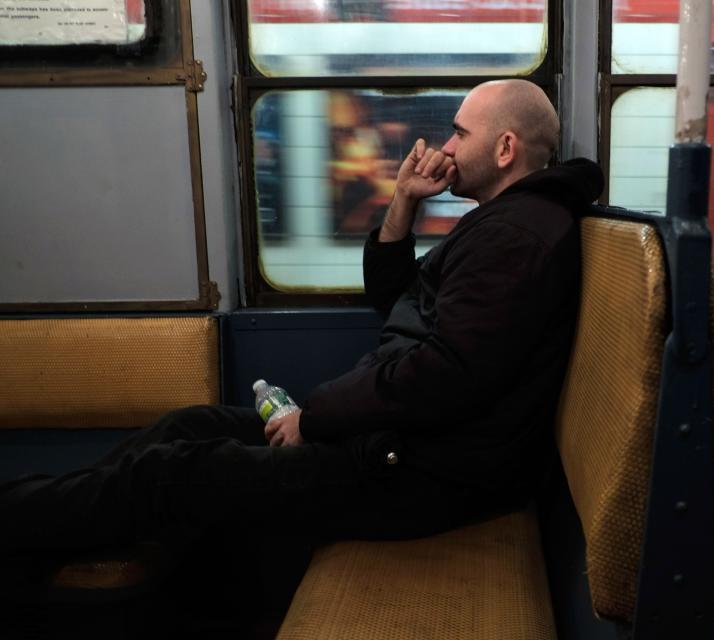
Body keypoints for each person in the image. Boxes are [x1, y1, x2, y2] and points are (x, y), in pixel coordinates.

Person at [0, 80, 604, 601]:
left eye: (459, 133)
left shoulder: (517, 238)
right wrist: (402, 203)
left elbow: (443, 374)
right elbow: (399, 300)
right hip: (400, 446)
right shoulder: (505, 224)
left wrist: (314, 421)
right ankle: (58, 528)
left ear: (505, 149)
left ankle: (24, 523)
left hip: (421, 476)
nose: (446, 146)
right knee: (191, 426)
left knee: (173, 473)